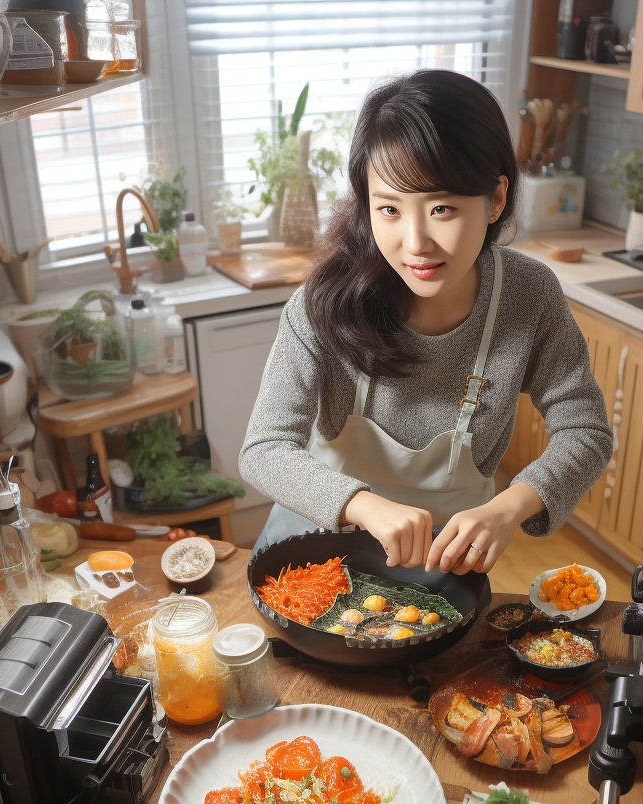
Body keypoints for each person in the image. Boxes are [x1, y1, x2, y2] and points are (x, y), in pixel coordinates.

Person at [239, 69, 611, 574]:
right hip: (316, 550)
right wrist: (366, 506)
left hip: (445, 566)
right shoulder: (324, 302)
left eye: (441, 208)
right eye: (389, 209)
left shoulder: (529, 296)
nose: (415, 243)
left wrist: (506, 508)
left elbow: (585, 430)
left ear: (496, 200)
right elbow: (264, 450)